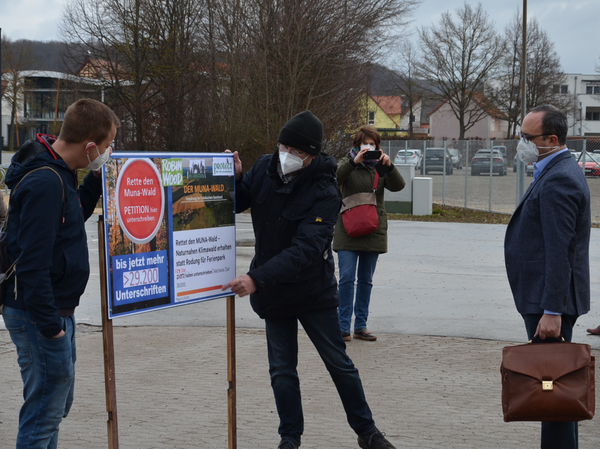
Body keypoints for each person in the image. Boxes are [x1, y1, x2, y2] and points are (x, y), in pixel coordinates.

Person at [223, 111, 397, 449]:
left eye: (295, 150)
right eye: (282, 145)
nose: (285, 154)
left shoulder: (326, 190)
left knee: (339, 363)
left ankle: (368, 432)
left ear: (312, 156)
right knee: (282, 370)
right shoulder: (265, 166)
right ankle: (290, 437)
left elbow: (305, 249)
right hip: (274, 293)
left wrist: (255, 279)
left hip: (312, 291)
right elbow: (239, 201)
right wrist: (236, 178)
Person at [1, 98, 118, 449]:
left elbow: (65, 223)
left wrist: (94, 183)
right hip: (39, 316)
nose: (109, 153)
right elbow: (33, 263)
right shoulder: (46, 181)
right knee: (44, 412)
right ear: (91, 146)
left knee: (54, 406)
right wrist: (51, 327)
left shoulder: (58, 170)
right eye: (108, 146)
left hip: (54, 313)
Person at [504, 105, 590, 449]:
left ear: (551, 140)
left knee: (553, 397)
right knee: (557, 398)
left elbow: (560, 251)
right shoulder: (555, 169)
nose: (521, 143)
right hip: (543, 300)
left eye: (527, 137)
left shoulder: (560, 179)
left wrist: (552, 310)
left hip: (548, 304)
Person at [333, 126, 405, 342]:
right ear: (357, 145)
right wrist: (354, 162)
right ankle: (343, 327)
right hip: (348, 229)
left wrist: (389, 166)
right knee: (346, 278)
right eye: (365, 144)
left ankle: (361, 326)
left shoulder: (379, 167)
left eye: (373, 144)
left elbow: (398, 186)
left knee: (366, 280)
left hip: (373, 229)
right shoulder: (347, 164)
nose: (369, 148)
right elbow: (334, 178)